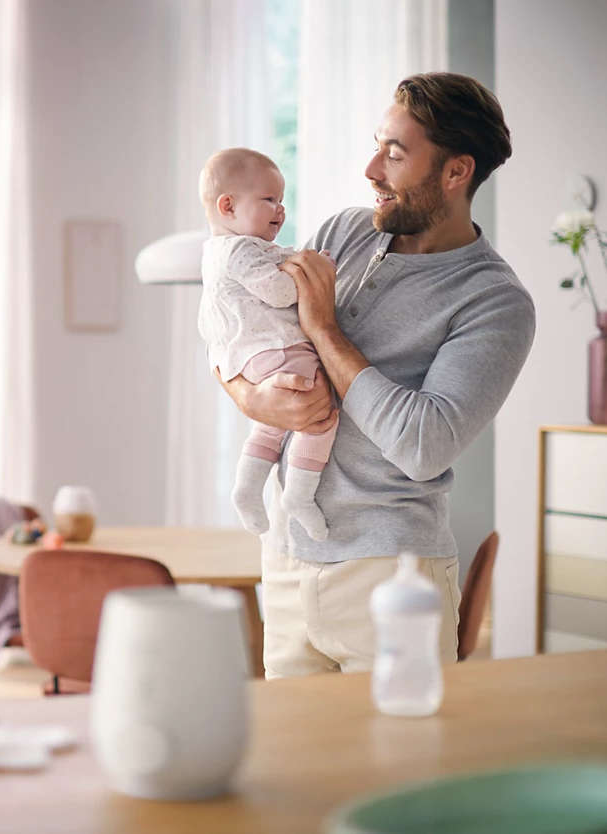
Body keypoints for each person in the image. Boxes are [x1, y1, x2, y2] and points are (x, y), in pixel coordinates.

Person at [218, 72, 536, 678]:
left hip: (392, 576)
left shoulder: (494, 301)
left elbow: (423, 445)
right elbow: (245, 333)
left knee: (400, 742)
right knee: (293, 743)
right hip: (286, 558)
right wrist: (251, 396)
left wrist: (324, 329)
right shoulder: (342, 232)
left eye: (394, 153)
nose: (370, 170)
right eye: (376, 146)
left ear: (456, 171)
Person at [197, 148, 339, 542]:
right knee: (321, 415)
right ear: (228, 206)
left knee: (272, 426)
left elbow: (279, 266)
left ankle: (246, 488)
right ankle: (300, 495)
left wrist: (299, 261)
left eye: (282, 199)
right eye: (269, 199)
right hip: (277, 348)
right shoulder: (240, 249)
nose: (281, 209)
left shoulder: (221, 251)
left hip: (253, 357)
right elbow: (278, 291)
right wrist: (319, 274)